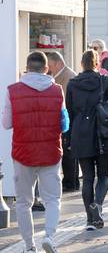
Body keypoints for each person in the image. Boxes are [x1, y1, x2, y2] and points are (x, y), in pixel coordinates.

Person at [2, 51, 69, 253]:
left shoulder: (12, 90)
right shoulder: (57, 90)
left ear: (26, 67)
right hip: (50, 152)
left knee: (23, 202)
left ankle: (30, 246)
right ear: (46, 68)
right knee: (52, 199)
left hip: (23, 153)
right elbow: (64, 124)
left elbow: (6, 123)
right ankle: (49, 236)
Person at [66, 50, 108, 230]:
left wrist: (68, 139)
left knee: (87, 177)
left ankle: (90, 220)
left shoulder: (73, 84)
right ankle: (97, 204)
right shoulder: (106, 81)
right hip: (102, 131)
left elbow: (70, 110)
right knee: (104, 175)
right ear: (97, 63)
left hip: (80, 131)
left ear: (81, 63)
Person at [47, 52, 79, 192]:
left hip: (69, 120)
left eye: (50, 65)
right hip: (66, 119)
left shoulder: (68, 76)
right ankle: (71, 181)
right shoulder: (60, 75)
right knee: (67, 152)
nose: (48, 68)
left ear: (58, 63)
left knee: (68, 153)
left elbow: (66, 101)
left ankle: (70, 182)